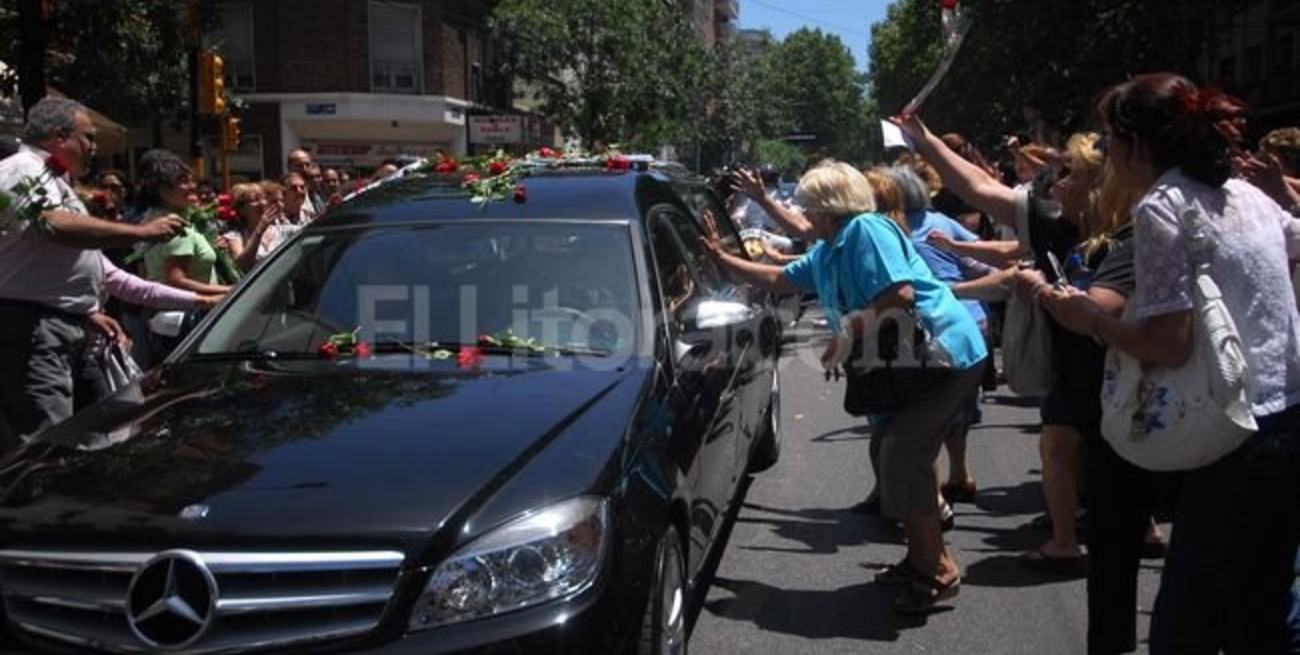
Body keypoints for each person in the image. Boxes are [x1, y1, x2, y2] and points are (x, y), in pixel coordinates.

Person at [1057, 72, 1300, 655]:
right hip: (1289, 415)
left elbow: (1169, 343)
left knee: (1188, 620)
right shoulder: (1245, 194)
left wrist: (1088, 319)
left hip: (1232, 431)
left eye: (1110, 138)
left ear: (1134, 143)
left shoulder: (1163, 206)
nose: (1108, 152)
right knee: (1265, 607)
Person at [700, 160, 987, 613]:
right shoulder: (831, 247)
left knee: (901, 457)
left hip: (944, 356)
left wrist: (848, 332)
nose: (803, 214)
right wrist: (721, 259)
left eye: (809, 206)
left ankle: (938, 571)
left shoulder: (865, 230)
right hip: (912, 365)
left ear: (829, 208)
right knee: (897, 456)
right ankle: (921, 560)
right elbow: (779, 278)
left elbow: (901, 294)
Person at [0, 97, 183, 452]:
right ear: (58, 137)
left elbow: (41, 258)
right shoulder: (25, 169)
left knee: (100, 426)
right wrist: (142, 233)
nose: (94, 148)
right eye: (88, 138)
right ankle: (41, 504)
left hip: (62, 326)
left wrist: (85, 311)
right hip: (34, 329)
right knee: (44, 443)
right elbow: (53, 225)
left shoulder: (49, 176)